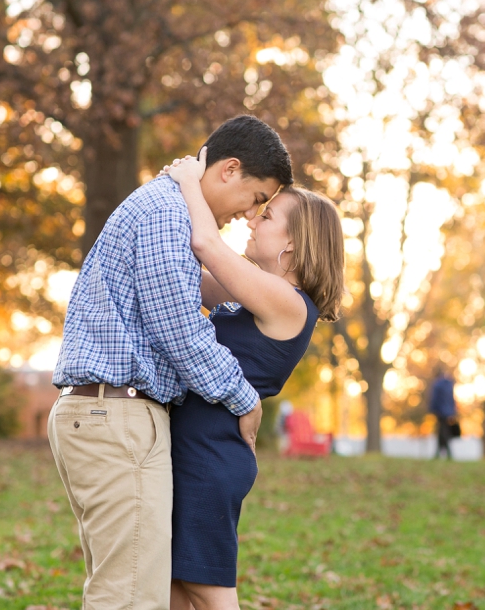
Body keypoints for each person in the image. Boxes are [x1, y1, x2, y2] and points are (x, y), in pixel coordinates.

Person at [48, 115, 292, 610]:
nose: (250, 213)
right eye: (255, 197)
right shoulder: (165, 213)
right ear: (229, 170)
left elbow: (195, 302)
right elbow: (180, 327)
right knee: (131, 597)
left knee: (125, 587)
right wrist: (243, 397)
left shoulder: (169, 208)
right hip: (116, 418)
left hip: (108, 415)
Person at [164, 149, 344, 610]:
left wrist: (189, 181)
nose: (251, 220)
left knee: (209, 591)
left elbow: (205, 245)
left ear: (293, 244)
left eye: (266, 216)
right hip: (193, 450)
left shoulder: (289, 302)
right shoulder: (254, 293)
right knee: (174, 590)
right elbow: (188, 275)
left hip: (209, 459)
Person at [428, 368, 458, 460]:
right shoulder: (449, 384)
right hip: (449, 412)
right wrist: (453, 411)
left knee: (442, 432)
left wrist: (432, 410)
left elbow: (435, 399)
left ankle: (447, 454)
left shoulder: (437, 385)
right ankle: (440, 454)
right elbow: (452, 399)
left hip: (440, 411)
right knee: (443, 431)